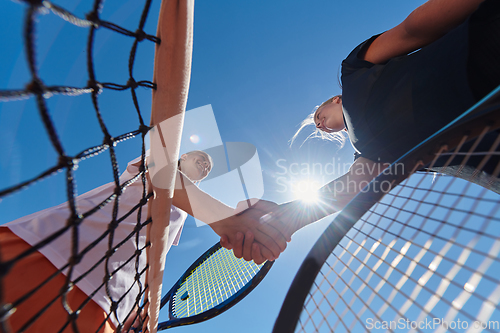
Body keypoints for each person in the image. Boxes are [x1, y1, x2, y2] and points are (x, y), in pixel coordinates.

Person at [222, 0, 500, 262]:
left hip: (483, 52)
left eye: (318, 116)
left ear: (335, 99)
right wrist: (287, 219)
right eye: (320, 128)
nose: (319, 124)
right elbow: (349, 189)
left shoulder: (353, 72)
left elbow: (413, 30)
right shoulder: (369, 154)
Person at [0, 149, 284, 332]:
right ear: (181, 155)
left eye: (207, 166)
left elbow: (151, 260)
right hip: (41, 252)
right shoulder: (160, 157)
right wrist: (225, 218)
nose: (204, 164)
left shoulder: (182, 218)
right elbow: (162, 175)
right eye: (199, 157)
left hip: (104, 311)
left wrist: (140, 308)